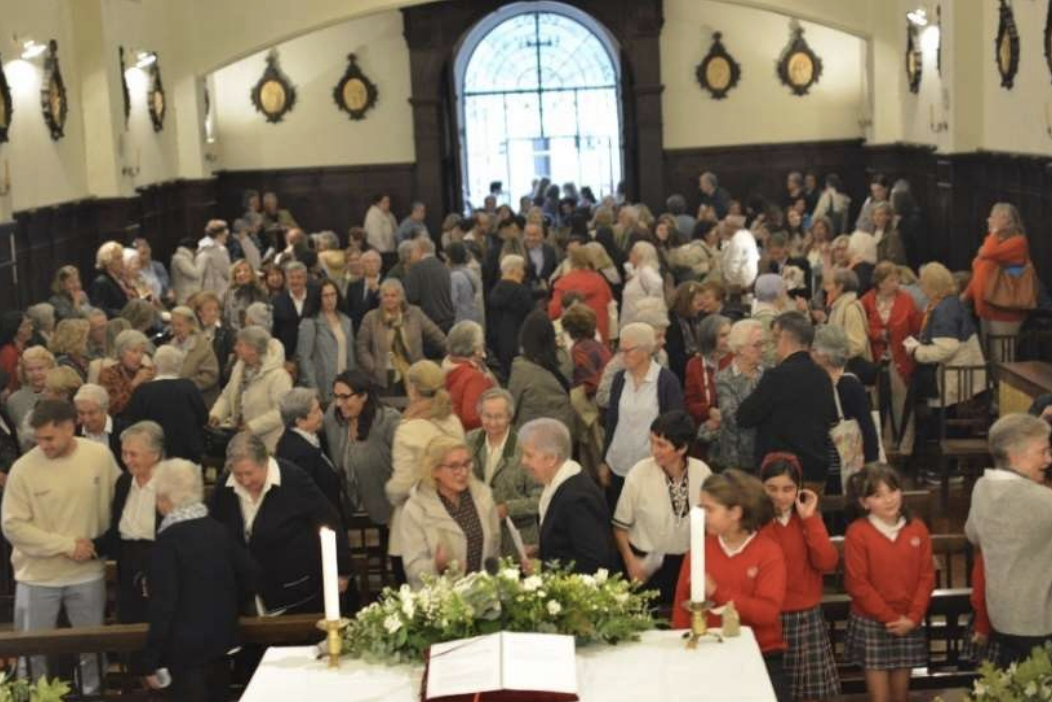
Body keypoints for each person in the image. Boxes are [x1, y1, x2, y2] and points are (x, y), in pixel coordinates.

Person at [1, 400, 121, 695]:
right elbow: (13, 526)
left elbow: (118, 501)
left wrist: (100, 546)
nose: (42, 445)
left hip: (87, 573)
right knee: (32, 652)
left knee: (91, 649)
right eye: (38, 438)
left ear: (70, 427)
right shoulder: (23, 469)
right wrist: (67, 546)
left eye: (49, 438)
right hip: (36, 576)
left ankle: (92, 695)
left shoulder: (100, 457)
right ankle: (33, 698)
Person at [142, 459, 257, 701]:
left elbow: (164, 605)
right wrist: (232, 610)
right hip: (222, 643)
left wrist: (151, 660)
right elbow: (249, 574)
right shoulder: (218, 530)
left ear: (164, 500)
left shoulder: (166, 544)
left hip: (184, 654)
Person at [671, 470, 789, 702]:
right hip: (708, 654)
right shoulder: (698, 549)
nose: (702, 515)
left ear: (735, 512)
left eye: (709, 509)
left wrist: (717, 592)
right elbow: (680, 610)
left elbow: (766, 613)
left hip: (761, 654)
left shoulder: (768, 552)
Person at [209, 432, 351, 615]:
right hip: (247, 595)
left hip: (295, 590)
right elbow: (214, 529)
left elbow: (327, 518)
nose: (245, 481)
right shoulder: (224, 489)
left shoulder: (293, 479)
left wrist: (341, 569)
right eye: (238, 474)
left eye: (249, 473)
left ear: (265, 462)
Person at [965, 413, 1052, 666]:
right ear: (1015, 456)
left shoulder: (982, 488)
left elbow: (973, 534)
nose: (1048, 459)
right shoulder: (1041, 500)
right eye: (1043, 452)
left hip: (1001, 617)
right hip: (1040, 620)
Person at [844, 465, 934, 702]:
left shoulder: (917, 528)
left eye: (892, 491)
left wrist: (913, 618)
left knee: (900, 695)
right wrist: (891, 618)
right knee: (880, 698)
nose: (888, 499)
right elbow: (858, 585)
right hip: (873, 621)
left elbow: (926, 576)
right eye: (877, 495)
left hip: (908, 619)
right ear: (864, 503)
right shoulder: (857, 533)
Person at [759, 453, 841, 702]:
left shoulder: (807, 520)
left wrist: (809, 520)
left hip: (804, 617)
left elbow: (827, 563)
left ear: (799, 489)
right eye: (771, 488)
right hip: (767, 618)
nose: (779, 496)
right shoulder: (755, 522)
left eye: (788, 489)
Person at [613, 411, 711, 604]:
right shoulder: (639, 473)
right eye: (652, 442)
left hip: (686, 565)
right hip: (645, 565)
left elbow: (711, 527)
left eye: (662, 445)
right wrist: (631, 562)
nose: (654, 450)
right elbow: (619, 527)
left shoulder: (702, 473)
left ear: (682, 448)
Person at [738, 312, 837, 490]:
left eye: (774, 340)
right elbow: (830, 418)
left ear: (782, 338)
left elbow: (744, 417)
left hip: (780, 476)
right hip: (816, 472)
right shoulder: (823, 377)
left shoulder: (776, 377)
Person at [386, 361, 465, 583]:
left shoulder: (408, 429)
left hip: (414, 525)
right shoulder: (453, 422)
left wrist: (390, 492)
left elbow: (401, 486)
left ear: (412, 389)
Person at [398, 435, 500, 588]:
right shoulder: (416, 508)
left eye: (466, 464)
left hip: (485, 596)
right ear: (434, 471)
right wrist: (436, 565)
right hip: (443, 602)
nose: (463, 472)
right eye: (454, 466)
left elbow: (495, 550)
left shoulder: (483, 496)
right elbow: (413, 568)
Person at [601, 322, 684, 511]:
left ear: (646, 351)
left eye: (627, 350)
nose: (622, 356)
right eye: (620, 350)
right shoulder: (619, 379)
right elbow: (612, 422)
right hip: (618, 464)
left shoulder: (666, 381)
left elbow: (675, 428)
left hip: (652, 467)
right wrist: (604, 460)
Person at [93, 422, 165, 635]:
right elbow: (117, 531)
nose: (127, 460)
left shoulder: (172, 482)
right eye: (124, 454)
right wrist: (90, 546)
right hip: (129, 563)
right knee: (130, 628)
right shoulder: (124, 482)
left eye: (134, 454)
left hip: (161, 562)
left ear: (155, 454)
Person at [519, 418, 613, 574]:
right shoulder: (559, 485)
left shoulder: (578, 499)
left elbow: (593, 562)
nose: (523, 461)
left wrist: (543, 567)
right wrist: (541, 550)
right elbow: (566, 541)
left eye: (529, 455)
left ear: (551, 458)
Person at [465, 388, 541, 558]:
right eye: (487, 416)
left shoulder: (524, 447)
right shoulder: (469, 440)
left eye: (499, 416)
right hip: (478, 537)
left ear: (510, 416)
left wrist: (507, 508)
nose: (492, 422)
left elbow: (540, 497)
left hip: (518, 540)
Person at [905, 263, 987, 416]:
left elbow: (946, 348)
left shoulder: (944, 310)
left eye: (923, 283)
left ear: (932, 285)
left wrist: (917, 351)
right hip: (958, 372)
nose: (921, 287)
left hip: (952, 376)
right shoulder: (950, 302)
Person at [323, 371, 400, 526]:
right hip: (349, 507)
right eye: (336, 396)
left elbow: (407, 465)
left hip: (389, 511)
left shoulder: (388, 421)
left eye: (345, 397)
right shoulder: (333, 416)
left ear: (363, 396)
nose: (339, 403)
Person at [860, 263, 922, 454]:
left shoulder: (907, 300)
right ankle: (884, 445)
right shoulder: (866, 301)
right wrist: (878, 335)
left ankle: (905, 446)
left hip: (901, 358)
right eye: (891, 280)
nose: (897, 284)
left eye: (897, 279)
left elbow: (917, 327)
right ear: (879, 283)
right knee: (879, 403)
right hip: (876, 359)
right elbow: (861, 329)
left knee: (902, 402)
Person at [961, 203, 1033, 362]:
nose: (989, 220)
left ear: (1007, 222)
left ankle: (1004, 388)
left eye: (994, 217)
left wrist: (994, 231)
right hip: (985, 310)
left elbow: (988, 253)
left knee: (1002, 361)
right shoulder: (993, 241)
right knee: (989, 360)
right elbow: (979, 272)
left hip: (1003, 313)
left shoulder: (1017, 242)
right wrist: (965, 296)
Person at [209, 327, 293, 452]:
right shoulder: (239, 368)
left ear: (253, 349)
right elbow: (227, 395)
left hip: (267, 444)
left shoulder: (278, 376)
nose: (235, 348)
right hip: (240, 439)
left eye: (240, 345)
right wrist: (216, 415)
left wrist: (253, 426)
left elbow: (281, 412)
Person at [812, 326, 880, 479]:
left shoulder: (849, 384)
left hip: (844, 465)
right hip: (830, 462)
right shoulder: (819, 380)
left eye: (814, 349)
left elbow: (868, 431)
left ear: (826, 356)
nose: (811, 354)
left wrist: (871, 471)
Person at [356, 279, 447, 392]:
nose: (389, 299)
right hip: (384, 377)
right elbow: (361, 347)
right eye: (386, 295)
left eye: (393, 295)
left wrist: (450, 353)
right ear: (380, 298)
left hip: (415, 374)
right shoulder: (371, 318)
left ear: (401, 297)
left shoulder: (415, 314)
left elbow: (436, 335)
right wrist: (373, 367)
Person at [275, 388, 349, 529]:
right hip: (318, 530)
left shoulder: (310, 438)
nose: (322, 414)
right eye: (315, 411)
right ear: (299, 421)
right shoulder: (298, 453)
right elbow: (305, 500)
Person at [122, 346, 208, 462]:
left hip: (154, 456)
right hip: (188, 456)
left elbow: (133, 424)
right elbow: (203, 417)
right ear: (180, 366)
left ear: (155, 367)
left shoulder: (143, 391)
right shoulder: (189, 387)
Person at [708, 319, 766, 471]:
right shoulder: (724, 378)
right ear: (740, 348)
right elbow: (733, 418)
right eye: (757, 345)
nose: (764, 349)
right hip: (736, 460)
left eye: (764, 344)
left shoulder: (769, 374)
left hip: (765, 457)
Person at [508, 311, 577, 438]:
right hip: (562, 429)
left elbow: (511, 406)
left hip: (531, 433)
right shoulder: (566, 358)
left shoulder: (521, 367)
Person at [297, 279, 355, 405]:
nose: (330, 299)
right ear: (318, 298)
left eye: (333, 294)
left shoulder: (346, 321)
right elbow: (304, 358)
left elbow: (350, 355)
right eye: (325, 296)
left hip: (344, 381)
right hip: (322, 383)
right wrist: (313, 387)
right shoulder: (310, 322)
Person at [548, 246, 614, 343]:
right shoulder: (600, 281)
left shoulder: (564, 283)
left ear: (570, 261)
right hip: (599, 333)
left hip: (574, 336)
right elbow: (610, 304)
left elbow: (554, 312)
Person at [486, 255, 535, 379]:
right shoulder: (522, 293)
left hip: (497, 347)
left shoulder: (493, 292)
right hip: (519, 346)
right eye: (522, 270)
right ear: (513, 271)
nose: (523, 273)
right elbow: (530, 320)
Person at [443, 321, 495, 432]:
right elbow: (471, 418)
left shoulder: (447, 368)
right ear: (476, 349)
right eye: (482, 344)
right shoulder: (474, 377)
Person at [684, 314, 732, 430]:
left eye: (730, 334)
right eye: (723, 335)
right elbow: (689, 403)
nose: (729, 339)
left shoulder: (736, 359)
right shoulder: (694, 364)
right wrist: (708, 411)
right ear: (709, 338)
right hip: (706, 428)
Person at [167, 306, 221, 407]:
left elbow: (211, 376)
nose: (175, 329)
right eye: (173, 325)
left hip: (199, 400)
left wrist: (185, 387)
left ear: (190, 325)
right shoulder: (171, 344)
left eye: (179, 325)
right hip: (175, 399)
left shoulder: (202, 345)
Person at [823, 268, 873, 375]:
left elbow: (857, 344)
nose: (826, 289)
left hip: (850, 371)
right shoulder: (837, 307)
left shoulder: (850, 309)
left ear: (840, 287)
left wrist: (832, 354)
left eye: (829, 284)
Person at [404, 236, 456, 333]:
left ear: (420, 250)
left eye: (411, 251)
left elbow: (411, 297)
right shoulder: (443, 267)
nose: (409, 255)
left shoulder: (417, 268)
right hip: (448, 322)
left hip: (428, 324)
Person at [98, 329, 154, 416]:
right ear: (121, 353)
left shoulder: (148, 372)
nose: (139, 356)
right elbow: (112, 408)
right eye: (134, 351)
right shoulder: (109, 373)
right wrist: (134, 384)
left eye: (142, 352)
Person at [5, 347, 55, 440]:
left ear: (51, 368)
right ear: (23, 372)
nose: (35, 373)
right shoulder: (14, 400)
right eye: (30, 370)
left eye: (40, 368)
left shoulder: (59, 394)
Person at [272, 261, 315, 366]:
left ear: (305, 279)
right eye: (292, 277)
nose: (295, 281)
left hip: (313, 356)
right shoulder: (277, 301)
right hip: (287, 358)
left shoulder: (315, 298)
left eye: (299, 277)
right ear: (286, 279)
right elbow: (275, 332)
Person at [190, 291, 236, 391]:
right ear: (199, 312)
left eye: (216, 310)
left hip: (219, 382)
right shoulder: (193, 331)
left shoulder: (227, 332)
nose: (213, 313)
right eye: (209, 309)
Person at [665, 281, 707, 384]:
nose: (702, 307)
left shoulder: (695, 318)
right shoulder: (672, 322)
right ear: (686, 302)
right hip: (679, 374)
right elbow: (674, 356)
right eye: (698, 303)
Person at [621, 241, 666, 327]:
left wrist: (647, 306)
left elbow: (657, 285)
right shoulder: (638, 271)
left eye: (632, 252)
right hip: (633, 321)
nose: (629, 254)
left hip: (641, 322)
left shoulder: (646, 270)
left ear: (639, 255)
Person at [73, 383, 119, 461]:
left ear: (105, 410)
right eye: (81, 413)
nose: (86, 419)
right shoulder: (73, 433)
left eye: (91, 413)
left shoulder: (125, 432)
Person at [222, 260, 269, 332]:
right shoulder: (228, 294)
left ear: (252, 273)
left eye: (246, 270)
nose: (242, 273)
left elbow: (265, 319)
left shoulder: (260, 293)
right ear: (234, 275)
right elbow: (225, 317)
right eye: (238, 271)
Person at [91, 241, 135, 318]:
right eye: (117, 258)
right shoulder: (101, 282)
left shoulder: (121, 278)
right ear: (107, 262)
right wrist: (126, 313)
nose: (122, 261)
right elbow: (101, 310)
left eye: (122, 257)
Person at [446, 242, 484, 327]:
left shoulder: (455, 277)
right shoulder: (472, 272)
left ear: (449, 258)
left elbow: (451, 302)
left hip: (460, 321)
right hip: (474, 318)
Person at [344, 249, 382, 332]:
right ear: (362, 265)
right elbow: (348, 311)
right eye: (367, 262)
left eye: (374, 261)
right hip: (358, 330)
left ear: (380, 264)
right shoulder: (353, 285)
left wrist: (377, 292)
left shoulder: (387, 283)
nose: (371, 265)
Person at [196, 220, 233, 300]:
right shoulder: (219, 250)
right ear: (219, 234)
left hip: (205, 289)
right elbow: (226, 272)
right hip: (219, 290)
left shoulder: (201, 248)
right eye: (225, 235)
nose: (225, 239)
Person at [1, 314, 32, 393]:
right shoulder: (9, 353)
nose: (31, 328)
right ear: (15, 329)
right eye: (26, 326)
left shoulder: (27, 348)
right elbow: (10, 384)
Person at [170, 237, 205, 306]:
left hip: (190, 296)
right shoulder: (180, 259)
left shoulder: (186, 258)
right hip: (185, 297)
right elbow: (195, 274)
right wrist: (202, 261)